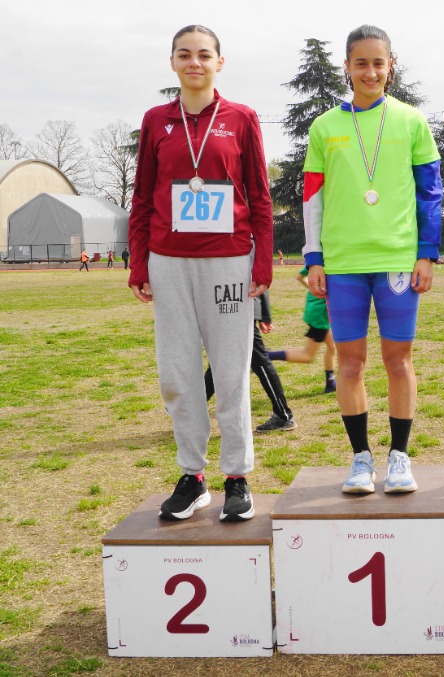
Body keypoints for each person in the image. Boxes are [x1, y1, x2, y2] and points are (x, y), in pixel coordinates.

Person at [128, 25, 273, 522]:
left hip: (228, 259)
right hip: (169, 262)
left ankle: (237, 477)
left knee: (231, 373)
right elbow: (142, 197)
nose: (195, 62)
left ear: (219, 63)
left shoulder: (242, 118)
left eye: (204, 55)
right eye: (185, 54)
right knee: (178, 374)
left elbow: (259, 195)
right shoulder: (156, 121)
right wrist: (139, 262)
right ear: (172, 62)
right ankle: (193, 476)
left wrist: (262, 261)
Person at [303, 24, 441, 494]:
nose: (370, 72)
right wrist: (314, 257)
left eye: (378, 63)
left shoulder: (411, 121)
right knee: (350, 362)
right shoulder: (324, 127)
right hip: (342, 263)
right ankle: (361, 459)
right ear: (346, 66)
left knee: (398, 360)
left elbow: (430, 193)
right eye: (360, 63)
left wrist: (427, 253)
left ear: (390, 66)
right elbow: (313, 198)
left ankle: (399, 456)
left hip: (397, 259)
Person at [205, 291, 295, 432]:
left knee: (260, 361)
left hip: (238, 309)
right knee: (218, 362)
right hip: (227, 309)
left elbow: (259, 279)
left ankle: (283, 415)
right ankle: (191, 409)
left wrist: (264, 315)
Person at [268, 266, 337, 393]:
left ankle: (330, 382)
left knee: (332, 346)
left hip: (315, 310)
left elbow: (299, 277)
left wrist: (313, 289)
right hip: (319, 316)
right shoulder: (330, 265)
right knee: (307, 356)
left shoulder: (315, 263)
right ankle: (266, 356)